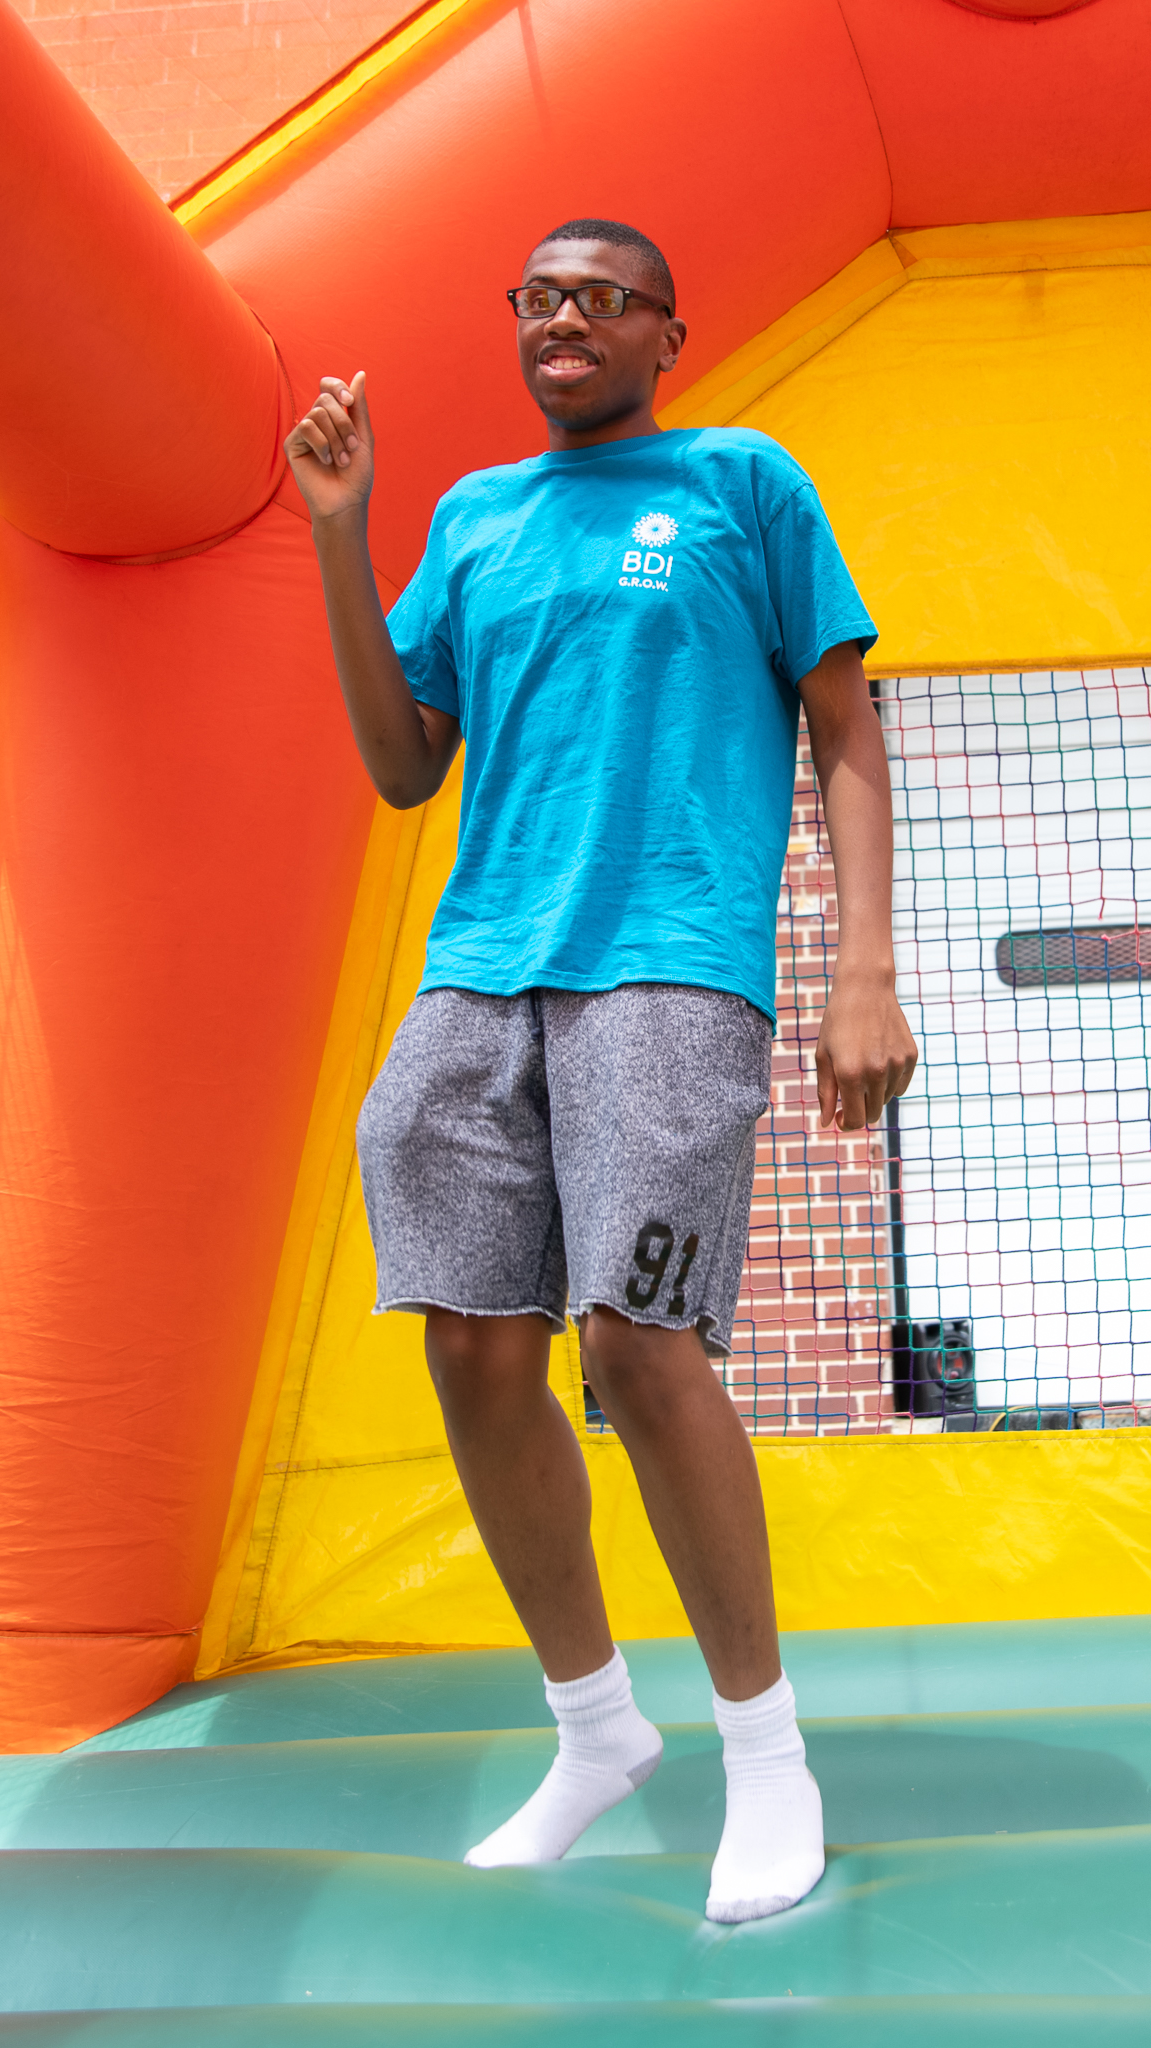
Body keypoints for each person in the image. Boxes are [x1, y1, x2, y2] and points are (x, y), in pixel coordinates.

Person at [283, 218, 917, 1923]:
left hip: (668, 961)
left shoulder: (738, 484)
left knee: (636, 1344)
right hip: (482, 970)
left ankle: (766, 1759)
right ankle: (593, 1732)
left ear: (663, 334)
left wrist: (862, 969)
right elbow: (402, 764)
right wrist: (340, 533)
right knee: (474, 1351)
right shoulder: (474, 516)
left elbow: (844, 728)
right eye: (539, 297)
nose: (563, 317)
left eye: (600, 298)